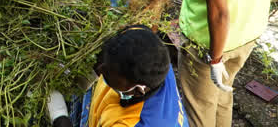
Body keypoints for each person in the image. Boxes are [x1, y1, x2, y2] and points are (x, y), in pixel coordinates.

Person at [47, 25, 188, 127]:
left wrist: (60, 117)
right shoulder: (150, 52)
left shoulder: (131, 123)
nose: (101, 69)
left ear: (138, 91)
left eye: (107, 72)